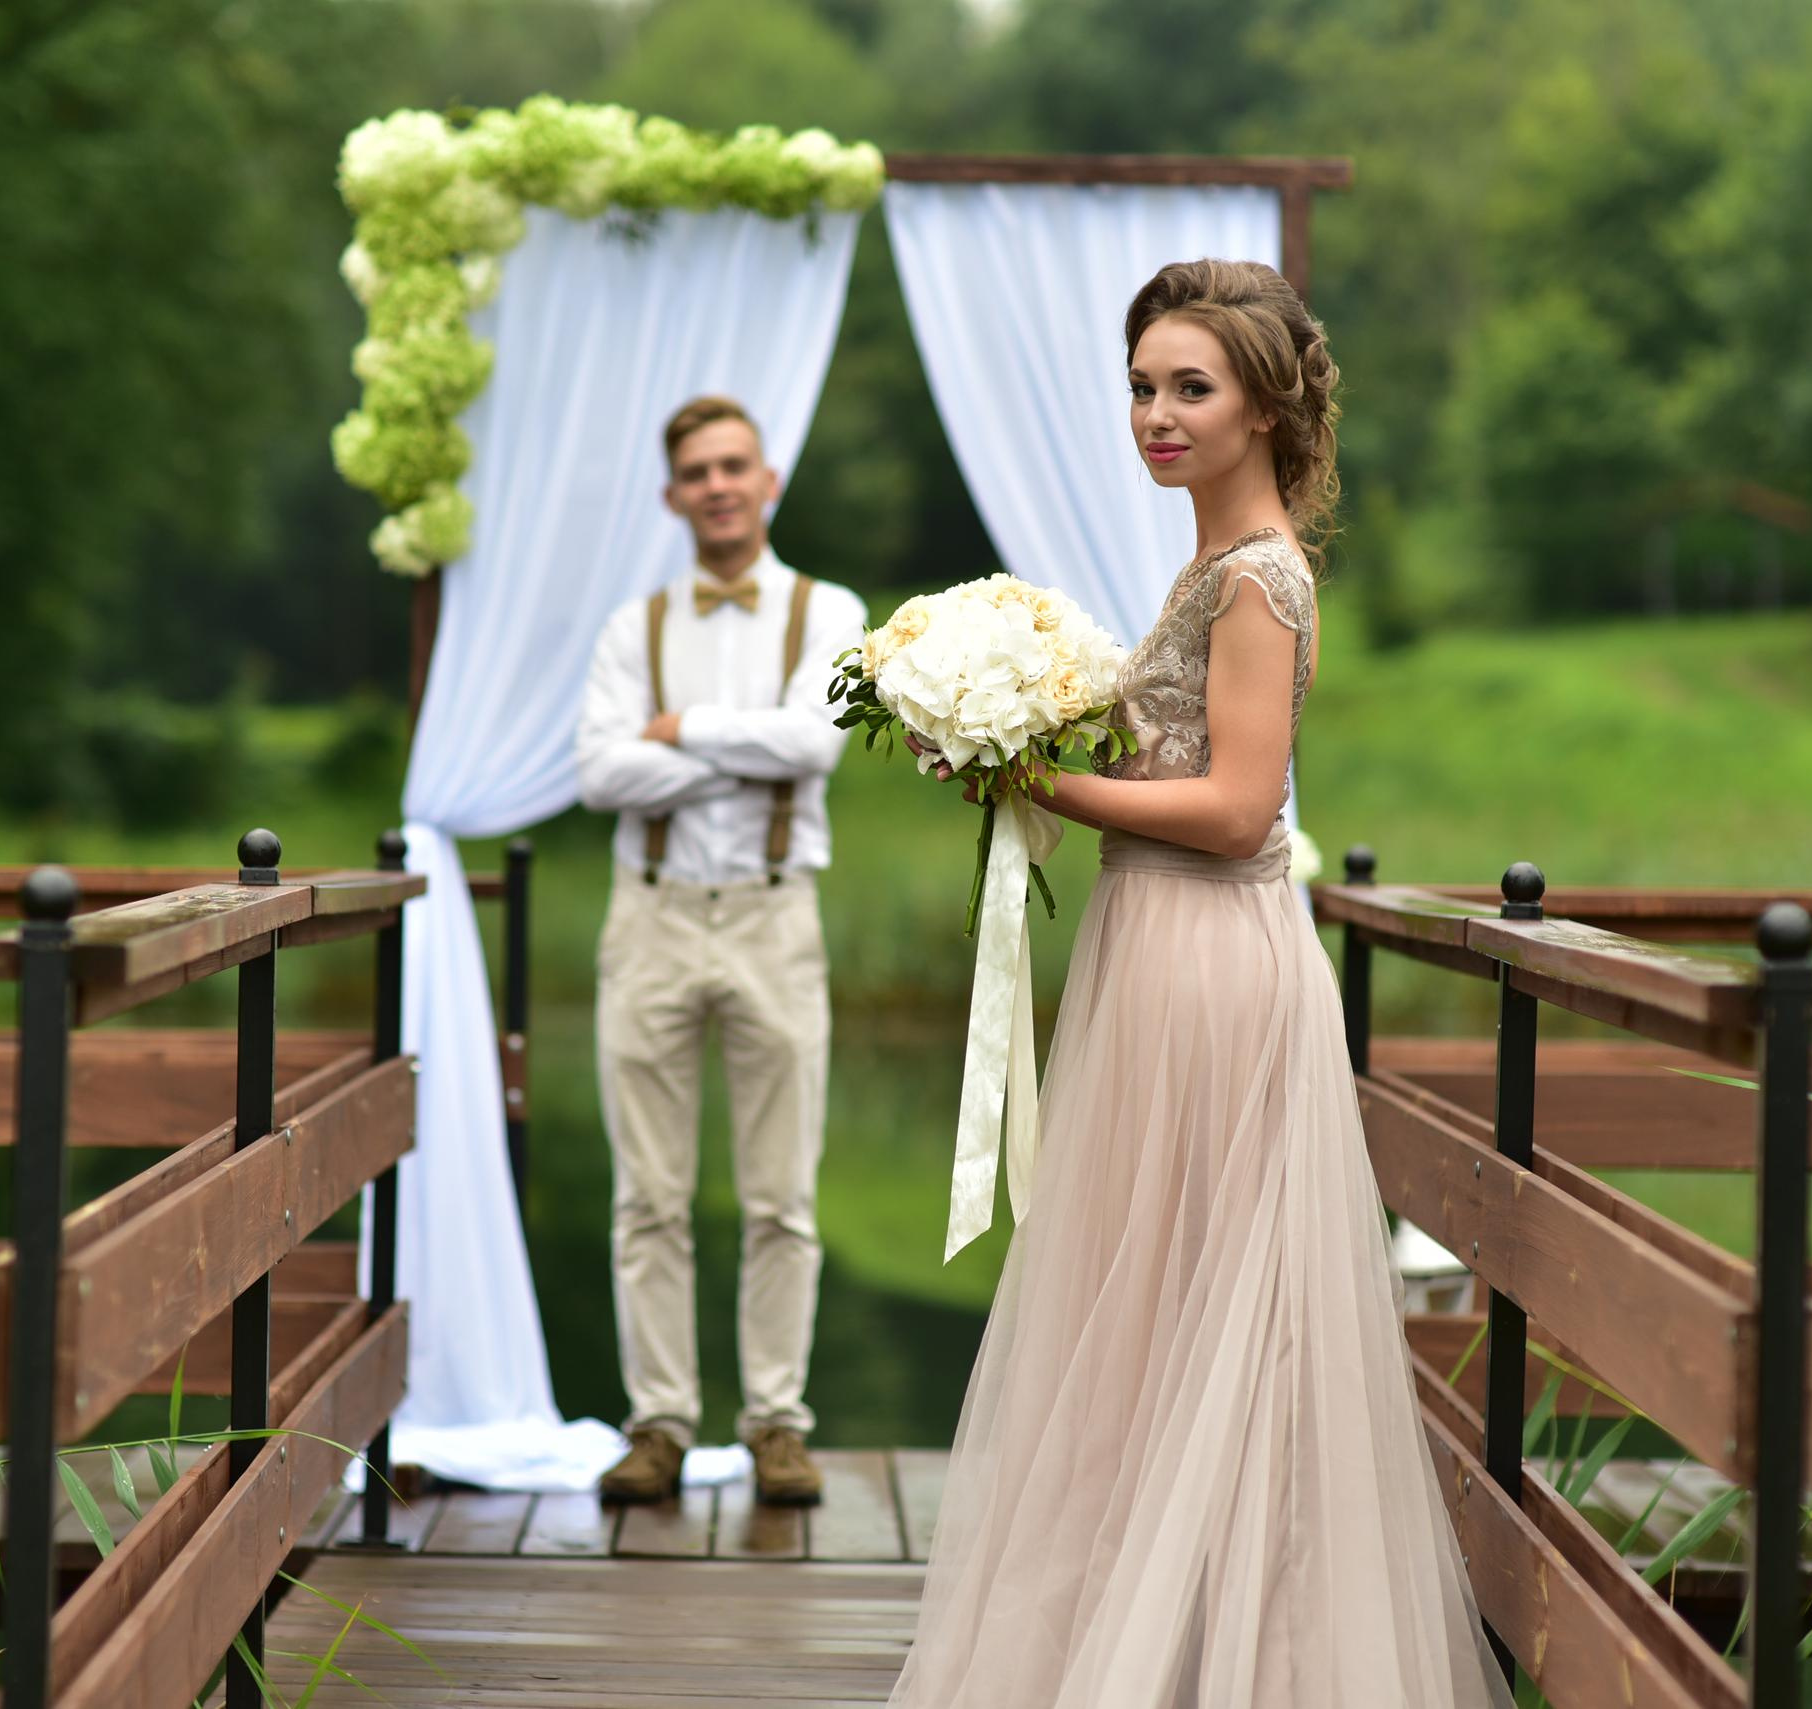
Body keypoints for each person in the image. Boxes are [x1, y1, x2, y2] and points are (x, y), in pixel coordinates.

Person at [888, 262, 1511, 1706]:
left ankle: (1237, 1656)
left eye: (1191, 388)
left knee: (1212, 1302)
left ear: (1266, 405)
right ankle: (1154, 1636)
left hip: (1211, 955)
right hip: (1156, 947)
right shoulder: (1209, 563)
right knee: (1152, 1298)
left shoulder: (1261, 576)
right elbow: (1180, 774)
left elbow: (1237, 810)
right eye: (1142, 385)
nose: (1154, 414)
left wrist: (1034, 777)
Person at [574, 395, 868, 1508]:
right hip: (645, 918)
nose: (717, 485)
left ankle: (776, 1423)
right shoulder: (629, 625)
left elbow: (816, 746)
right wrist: (749, 750)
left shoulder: (826, 607)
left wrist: (680, 730)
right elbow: (599, 776)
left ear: (769, 479)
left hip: (773, 914)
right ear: (672, 494)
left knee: (780, 1193)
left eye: (734, 465)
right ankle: (656, 1420)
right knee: (646, 1193)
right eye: (696, 470)